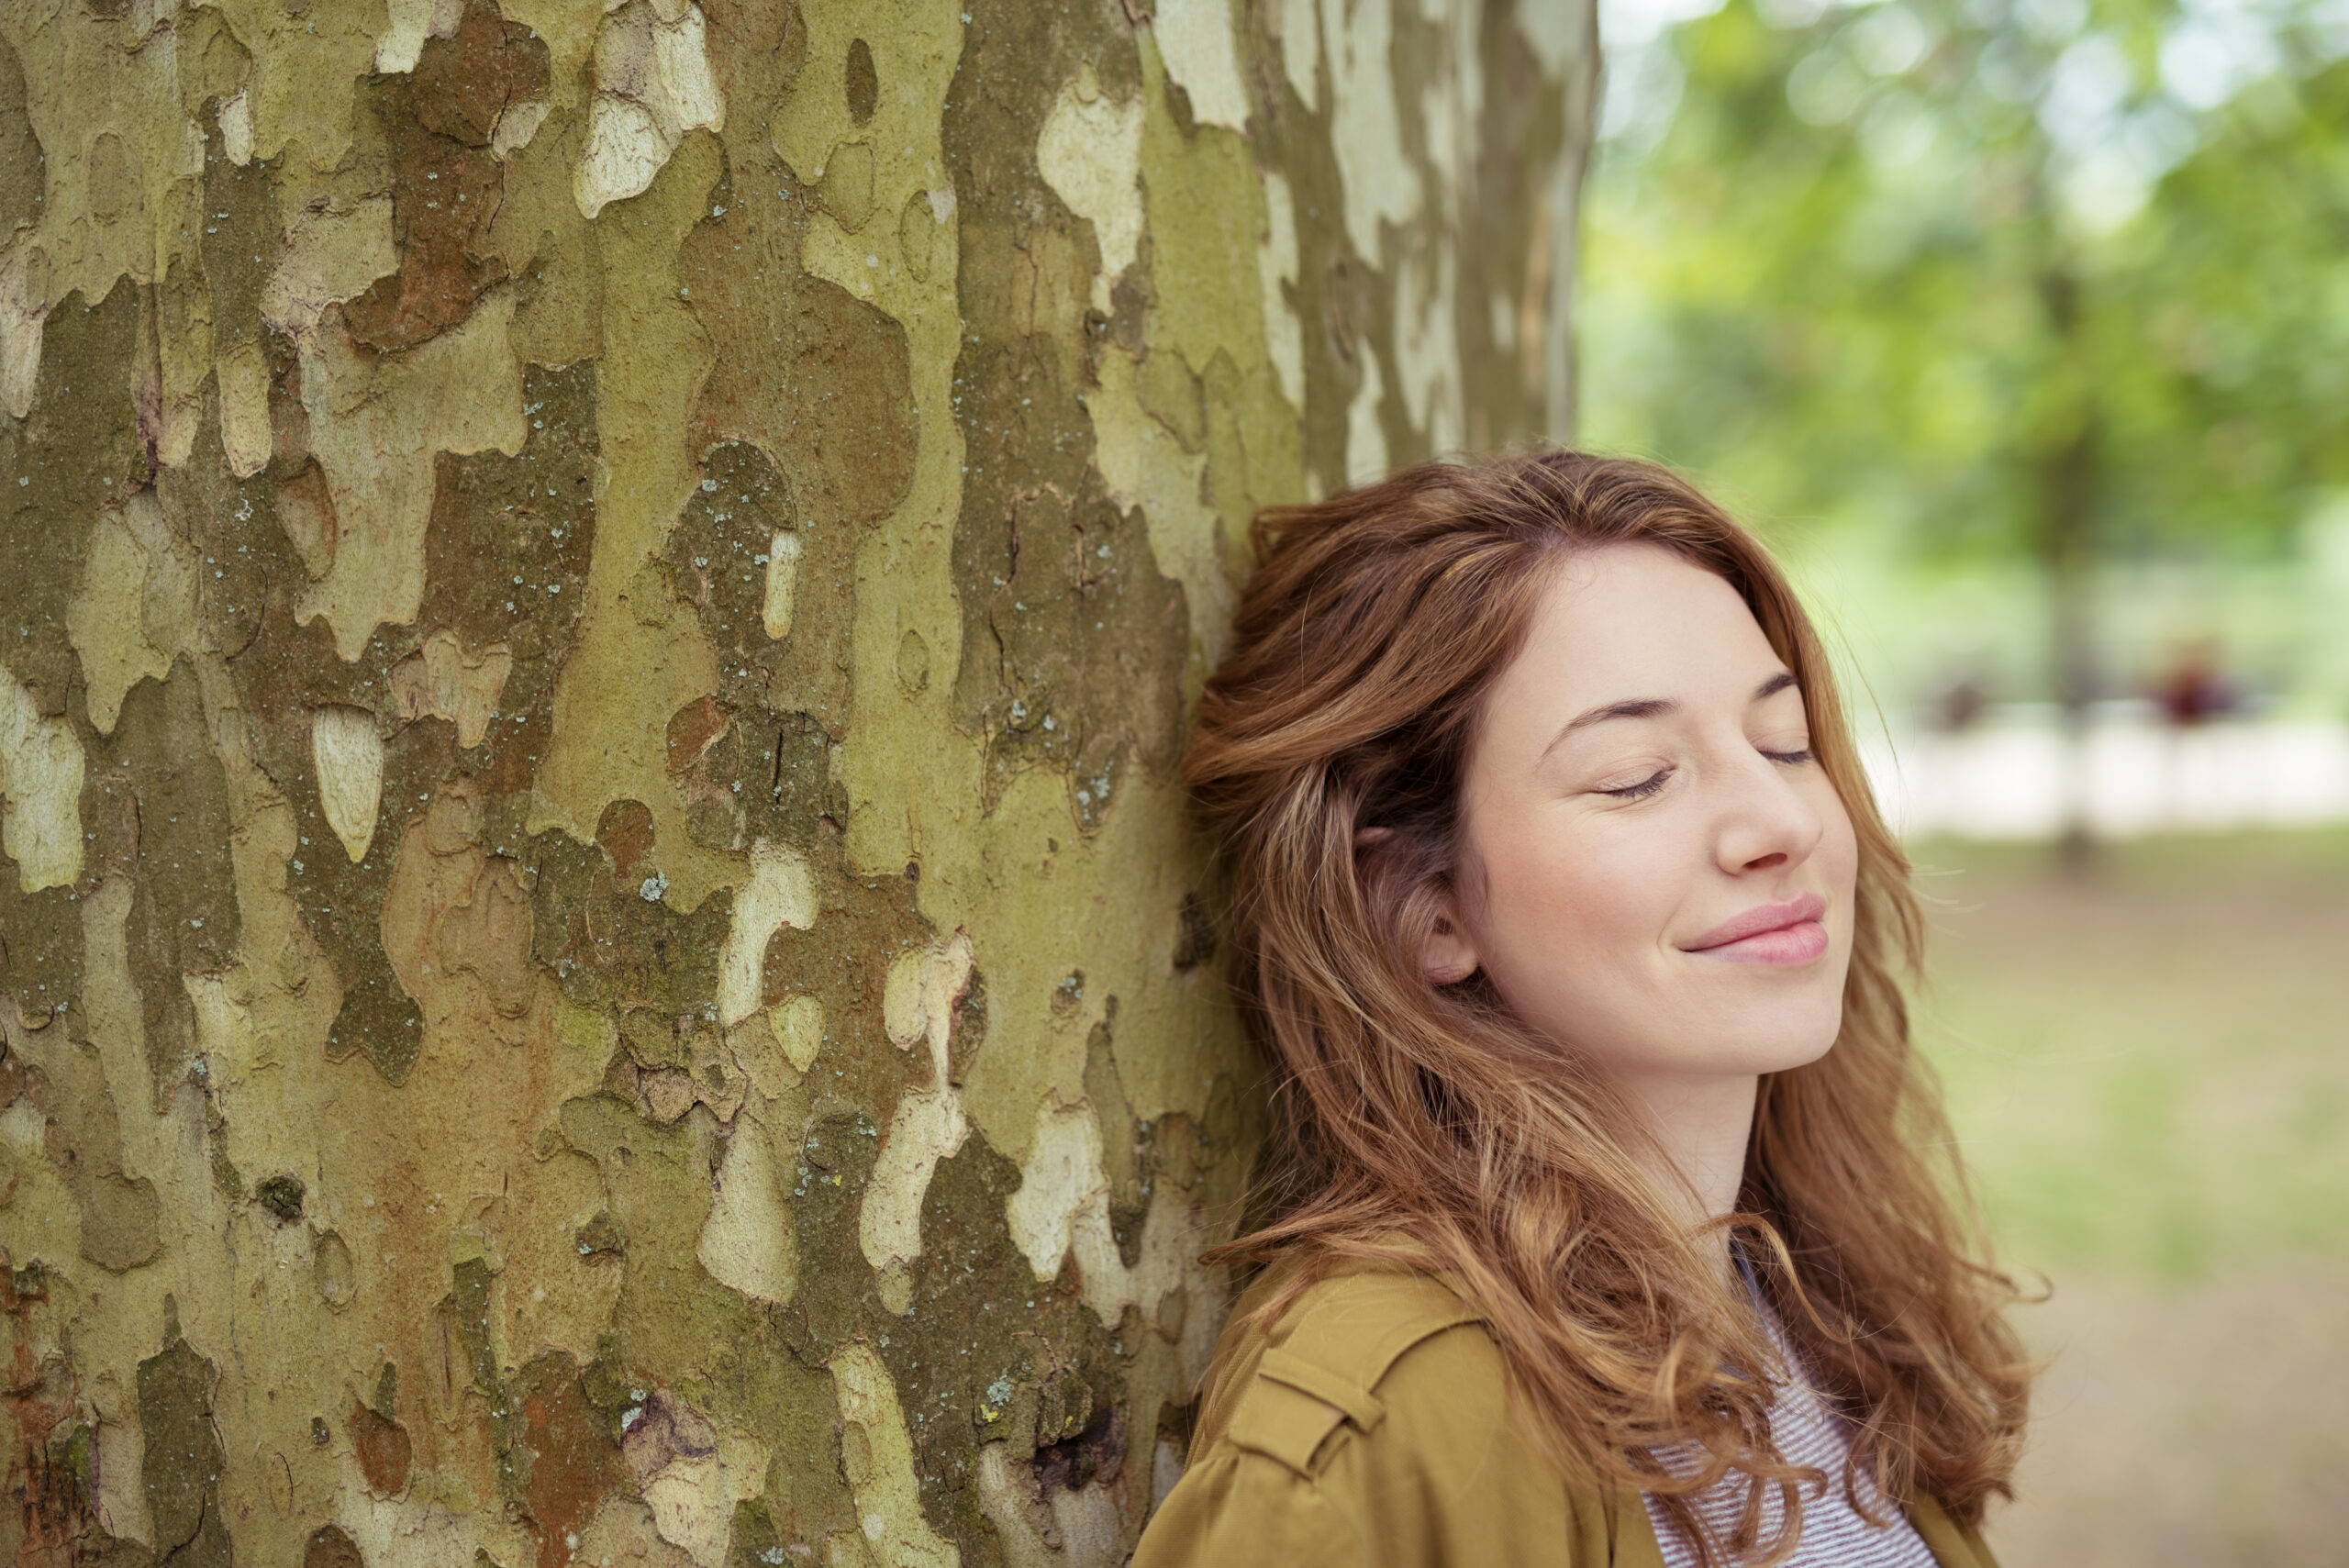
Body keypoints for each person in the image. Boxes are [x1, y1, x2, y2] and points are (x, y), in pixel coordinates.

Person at [1134, 451, 2031, 1568]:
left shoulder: (1818, 1300)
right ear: (1424, 906)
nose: (1779, 818)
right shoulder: (1386, 1418)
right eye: (1635, 775)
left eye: (1784, 742)